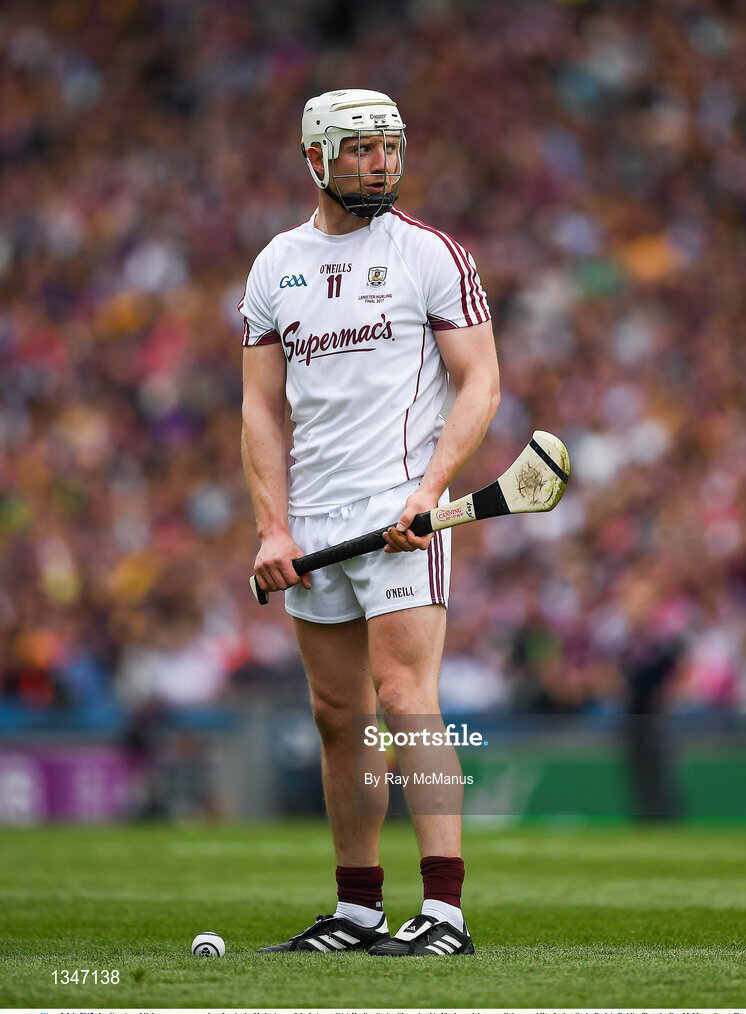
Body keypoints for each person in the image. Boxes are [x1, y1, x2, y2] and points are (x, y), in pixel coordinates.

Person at [240, 89, 499, 956]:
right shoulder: (274, 264)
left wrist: (428, 491)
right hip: (313, 523)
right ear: (314, 157)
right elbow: (260, 411)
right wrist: (273, 529)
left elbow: (480, 382)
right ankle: (356, 913)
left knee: (402, 698)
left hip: (401, 511)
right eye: (357, 149)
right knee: (336, 715)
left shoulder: (430, 255)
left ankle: (445, 914)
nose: (377, 163)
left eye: (387, 147)